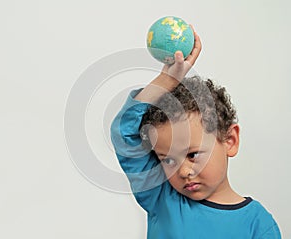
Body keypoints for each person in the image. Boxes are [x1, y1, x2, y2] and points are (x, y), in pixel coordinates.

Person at [110, 26, 281, 239]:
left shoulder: (258, 224)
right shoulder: (162, 199)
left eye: (192, 155)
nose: (183, 171)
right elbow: (123, 133)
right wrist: (165, 82)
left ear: (230, 140)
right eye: (169, 161)